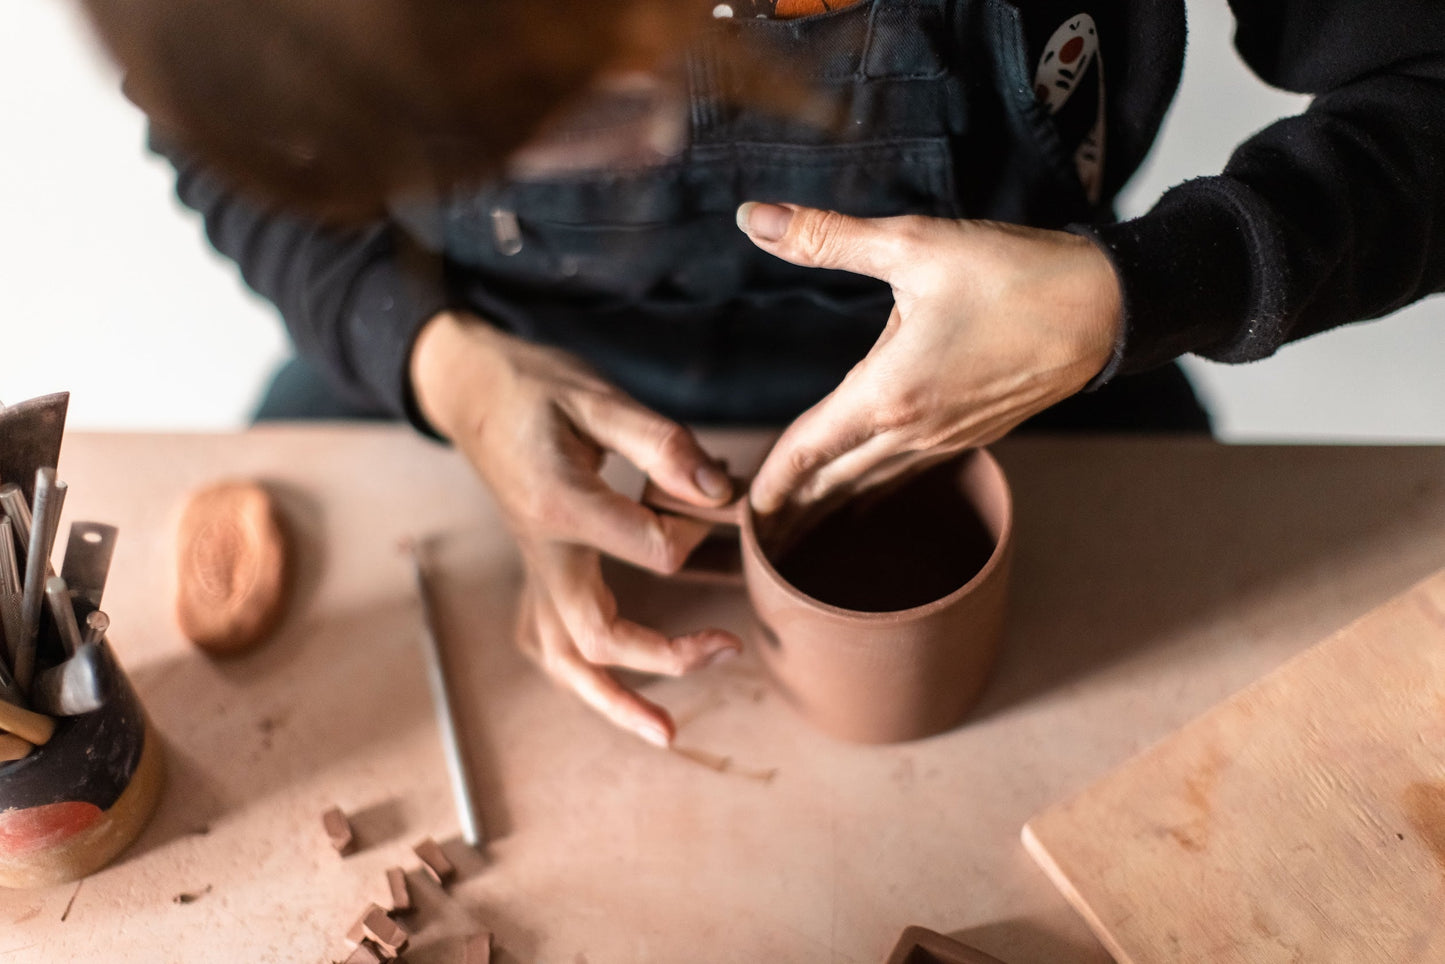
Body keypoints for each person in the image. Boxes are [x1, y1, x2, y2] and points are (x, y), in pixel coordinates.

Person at [93, 0, 1445, 746]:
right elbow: (219, 143)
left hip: (1049, 341)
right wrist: (439, 369)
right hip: (487, 355)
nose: (629, 162)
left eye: (593, 106)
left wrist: (1130, 294)